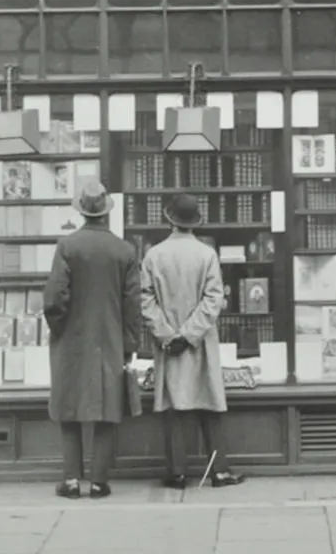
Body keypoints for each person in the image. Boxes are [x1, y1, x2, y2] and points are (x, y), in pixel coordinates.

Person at [43, 181, 142, 500]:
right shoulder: (125, 250)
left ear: (82, 211)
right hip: (110, 340)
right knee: (107, 408)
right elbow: (132, 305)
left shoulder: (67, 247)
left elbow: (54, 298)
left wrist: (59, 330)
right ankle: (99, 481)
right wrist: (129, 344)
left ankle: (71, 480)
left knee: (68, 408)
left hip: (71, 340)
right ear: (106, 212)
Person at [140, 194, 244, 490]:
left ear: (169, 219)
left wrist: (167, 335)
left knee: (175, 408)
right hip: (199, 342)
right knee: (209, 404)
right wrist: (190, 334)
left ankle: (177, 473)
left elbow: (145, 300)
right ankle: (219, 471)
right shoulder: (206, 254)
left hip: (168, 343)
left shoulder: (153, 255)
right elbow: (214, 299)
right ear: (195, 222)